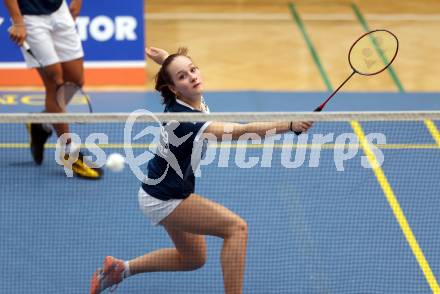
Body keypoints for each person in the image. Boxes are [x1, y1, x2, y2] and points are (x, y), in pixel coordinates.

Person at [89, 47, 313, 294]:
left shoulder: (185, 99)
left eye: (193, 69)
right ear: (174, 88)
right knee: (236, 229)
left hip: (162, 190)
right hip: (164, 198)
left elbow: (176, 74)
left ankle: (120, 269)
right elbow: (242, 131)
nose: (193, 76)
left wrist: (166, 60)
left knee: (193, 258)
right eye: (183, 76)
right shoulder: (189, 122)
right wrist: (289, 125)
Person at [4, 0, 102, 179]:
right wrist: (18, 21)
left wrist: (78, 3)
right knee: (56, 82)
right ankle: (69, 152)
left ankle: (43, 123)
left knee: (76, 80)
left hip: (59, 10)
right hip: (29, 17)